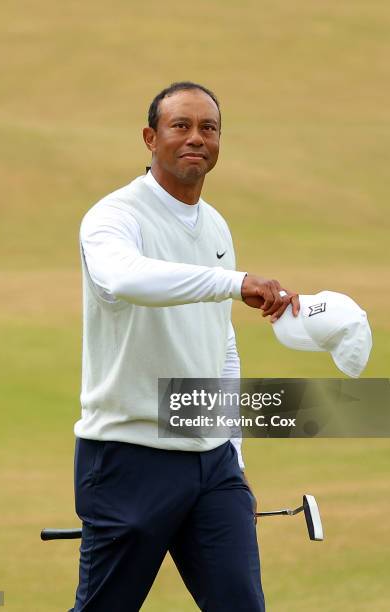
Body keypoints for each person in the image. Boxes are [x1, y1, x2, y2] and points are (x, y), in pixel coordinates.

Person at [70, 81, 299, 612]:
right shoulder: (113, 216)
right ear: (151, 138)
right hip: (128, 457)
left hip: (212, 464)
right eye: (181, 126)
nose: (197, 138)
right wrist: (232, 282)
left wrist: (234, 453)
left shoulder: (215, 224)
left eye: (209, 128)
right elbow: (126, 278)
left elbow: (221, 344)